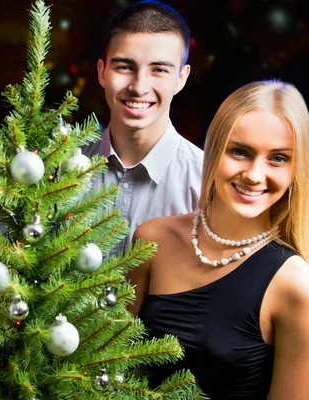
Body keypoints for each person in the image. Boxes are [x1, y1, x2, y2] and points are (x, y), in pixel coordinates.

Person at [128, 80, 309, 399]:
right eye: (240, 152)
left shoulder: (294, 284)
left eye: (278, 158)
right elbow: (103, 363)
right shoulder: (152, 238)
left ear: (296, 169)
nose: (255, 174)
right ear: (213, 150)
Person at [85, 0, 203, 255]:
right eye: (125, 67)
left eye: (159, 70)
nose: (139, 87)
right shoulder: (58, 168)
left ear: (181, 78)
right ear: (102, 72)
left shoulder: (206, 183)